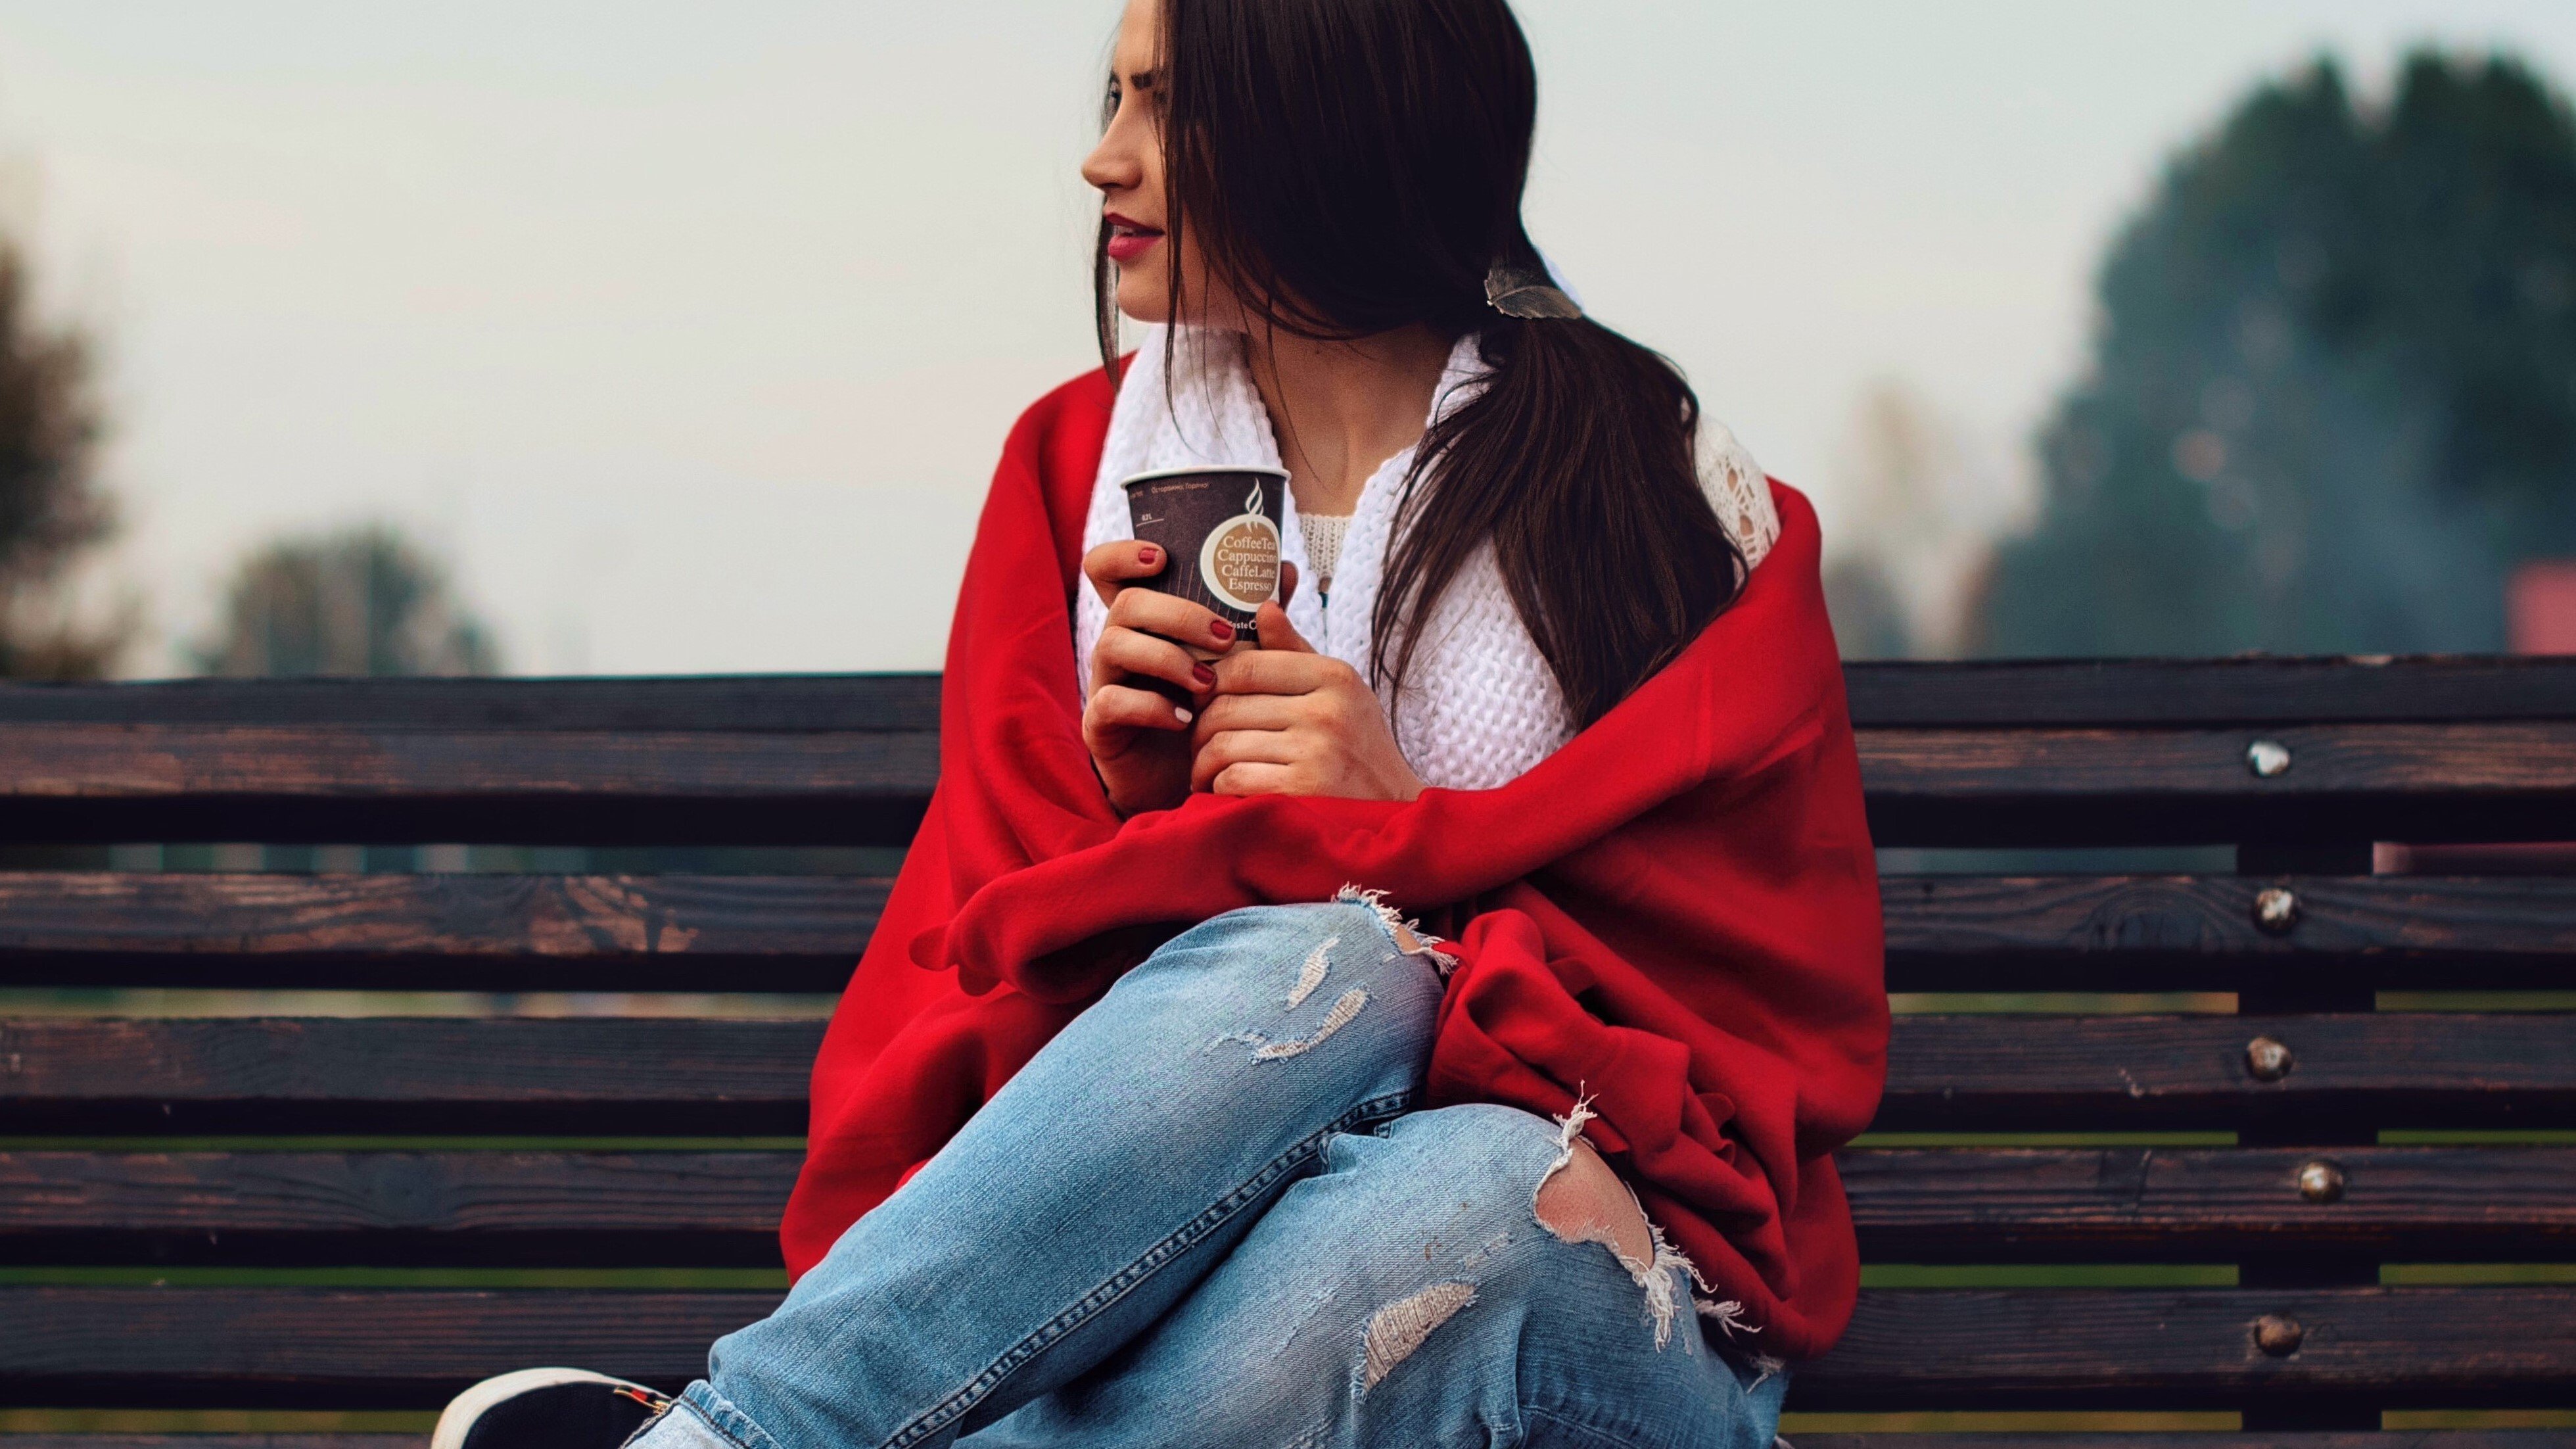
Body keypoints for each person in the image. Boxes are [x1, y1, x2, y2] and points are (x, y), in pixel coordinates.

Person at [433, 0, 1885, 1445]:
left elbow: (1753, 1021)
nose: (1102, 161)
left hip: (1590, 1302)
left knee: (1460, 1179)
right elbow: (987, 995)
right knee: (1331, 969)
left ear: (1338, 115)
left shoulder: (1661, 497)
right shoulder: (1076, 462)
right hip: (1206, 1311)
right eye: (1111, 96)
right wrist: (1139, 829)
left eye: (1163, 106)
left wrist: (1398, 837)